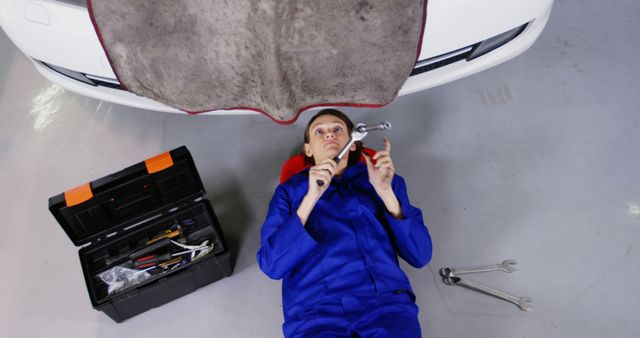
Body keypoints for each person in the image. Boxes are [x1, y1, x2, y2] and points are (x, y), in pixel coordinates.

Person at [257, 109, 432, 338]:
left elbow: (421, 254)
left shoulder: (382, 180)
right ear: (308, 149)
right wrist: (311, 198)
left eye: (338, 129)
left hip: (385, 304)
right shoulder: (288, 193)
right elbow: (272, 265)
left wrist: (387, 194)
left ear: (352, 143)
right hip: (314, 311)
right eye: (319, 131)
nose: (329, 134)